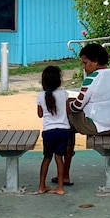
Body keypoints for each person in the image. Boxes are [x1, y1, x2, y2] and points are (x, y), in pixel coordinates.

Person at [59, 43, 110, 185]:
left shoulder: (93, 77)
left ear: (95, 61)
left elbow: (77, 106)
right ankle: (64, 171)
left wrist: (66, 105)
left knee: (65, 120)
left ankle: (64, 172)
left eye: (85, 63)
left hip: (99, 126)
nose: (84, 67)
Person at [36, 65, 72, 194]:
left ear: (43, 81)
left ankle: (41, 186)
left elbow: (40, 114)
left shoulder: (40, 96)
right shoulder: (64, 94)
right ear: (59, 80)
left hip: (49, 131)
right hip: (63, 130)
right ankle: (60, 187)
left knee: (47, 157)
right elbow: (68, 111)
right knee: (59, 158)